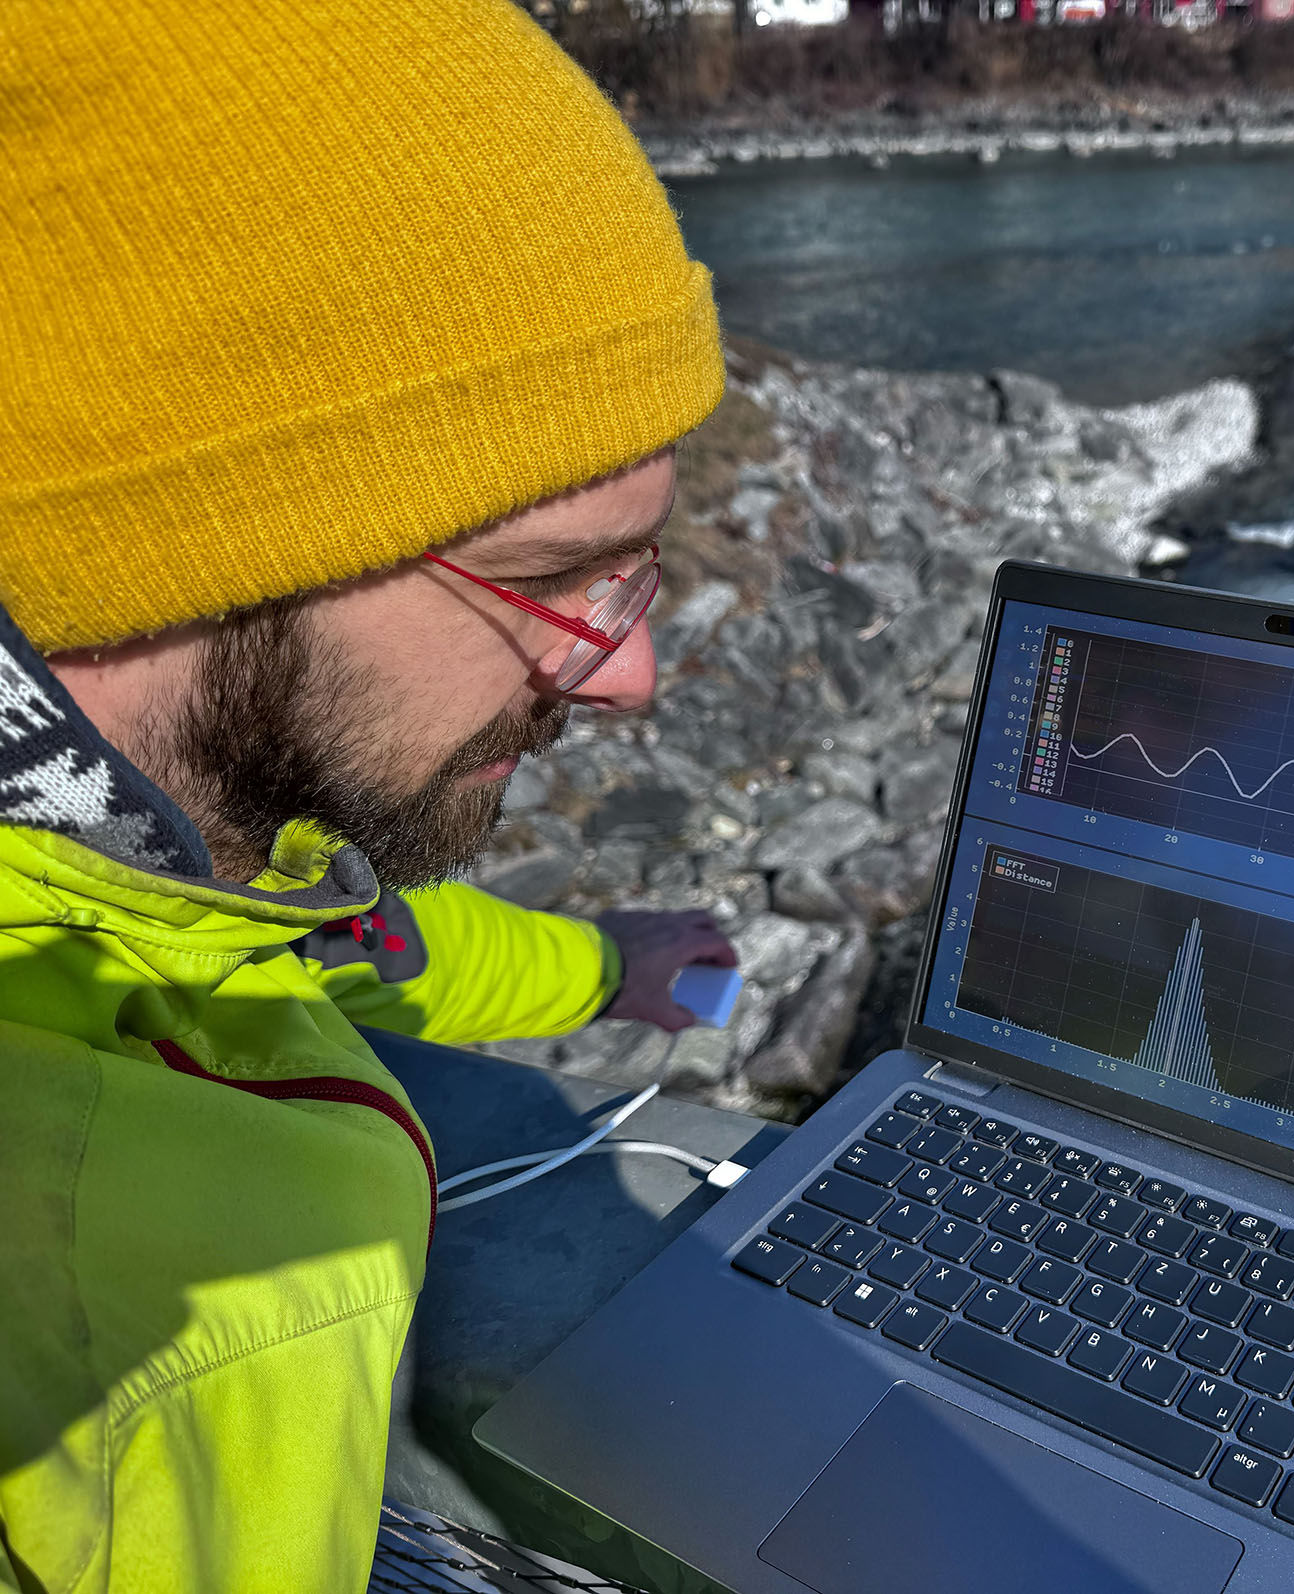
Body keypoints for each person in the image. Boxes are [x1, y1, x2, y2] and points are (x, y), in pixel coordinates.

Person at [0, 3, 738, 1588]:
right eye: (558, 578)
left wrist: (604, 964)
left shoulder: (169, 854)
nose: (626, 672)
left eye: (636, 572)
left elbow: (331, 939)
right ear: (172, 544)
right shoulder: (114, 1288)